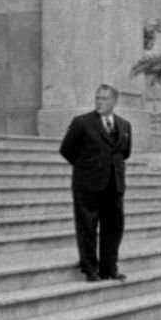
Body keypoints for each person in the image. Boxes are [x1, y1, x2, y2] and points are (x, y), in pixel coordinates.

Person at [59, 84, 132, 282]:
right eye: (98, 98)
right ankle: (90, 269)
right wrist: (87, 167)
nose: (100, 102)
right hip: (88, 185)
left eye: (105, 99)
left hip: (114, 185)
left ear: (114, 101)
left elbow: (124, 153)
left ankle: (109, 268)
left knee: (113, 227)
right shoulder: (82, 123)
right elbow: (66, 150)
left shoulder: (124, 125)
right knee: (87, 228)